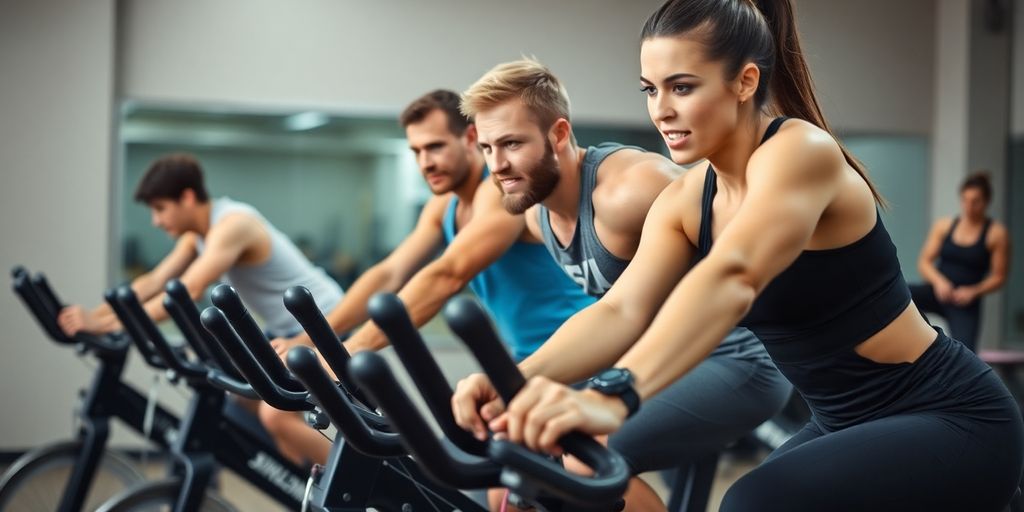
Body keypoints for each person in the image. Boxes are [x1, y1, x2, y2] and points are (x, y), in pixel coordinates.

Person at [452, 1, 1024, 510]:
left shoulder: (800, 152)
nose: (662, 110)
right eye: (650, 89)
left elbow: (734, 276)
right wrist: (514, 379)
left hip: (948, 414)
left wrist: (617, 395)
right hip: (841, 421)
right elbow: (619, 311)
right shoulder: (685, 198)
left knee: (754, 499)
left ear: (745, 81)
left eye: (682, 86)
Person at [454, 58, 791, 510]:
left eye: (512, 144)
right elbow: (615, 311)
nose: (498, 165)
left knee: (585, 457)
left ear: (558, 134)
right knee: (515, 441)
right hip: (664, 361)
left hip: (741, 361)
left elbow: (746, 218)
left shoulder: (629, 189)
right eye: (488, 148)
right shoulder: (537, 215)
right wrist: (511, 381)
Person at [263, 89, 595, 464]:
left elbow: (447, 276)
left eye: (435, 147)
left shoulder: (502, 192)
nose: (426, 162)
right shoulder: (445, 205)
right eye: (417, 152)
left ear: (470, 138)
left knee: (583, 475)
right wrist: (310, 339)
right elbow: (389, 273)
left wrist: (347, 352)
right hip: (527, 364)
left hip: (582, 353)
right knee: (510, 491)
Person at [57, 153, 345, 466]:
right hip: (284, 329)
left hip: (326, 322)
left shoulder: (233, 225)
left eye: (160, 209)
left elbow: (188, 291)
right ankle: (298, 483)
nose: (156, 221)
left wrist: (108, 326)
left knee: (276, 417)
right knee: (241, 403)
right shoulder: (198, 235)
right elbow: (155, 281)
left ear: (188, 197)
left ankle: (358, 487)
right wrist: (92, 317)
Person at [909, 171, 1010, 351]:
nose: (969, 206)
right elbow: (924, 262)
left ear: (986, 202)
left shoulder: (996, 234)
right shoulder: (944, 226)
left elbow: (999, 277)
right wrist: (939, 282)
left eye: (975, 201)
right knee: (899, 293)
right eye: (965, 200)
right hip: (938, 292)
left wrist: (973, 291)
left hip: (965, 301)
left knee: (966, 352)